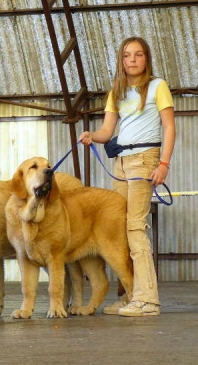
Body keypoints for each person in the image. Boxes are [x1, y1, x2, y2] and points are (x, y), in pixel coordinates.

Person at [79, 36, 175, 317]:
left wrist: (164, 163)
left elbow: (169, 128)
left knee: (135, 226)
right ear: (121, 61)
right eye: (127, 55)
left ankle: (148, 300)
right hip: (121, 162)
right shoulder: (116, 91)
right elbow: (107, 132)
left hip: (145, 160)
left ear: (147, 59)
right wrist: (91, 136)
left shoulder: (158, 87)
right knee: (120, 228)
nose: (132, 60)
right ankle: (131, 294)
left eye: (138, 55)